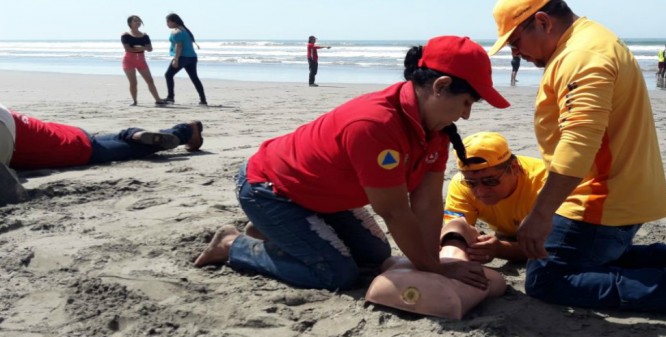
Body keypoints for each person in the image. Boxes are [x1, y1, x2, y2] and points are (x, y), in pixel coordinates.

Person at [489, 0, 666, 334]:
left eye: (515, 41)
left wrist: (540, 215)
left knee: (548, 279)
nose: (516, 51)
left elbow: (578, 144)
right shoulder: (592, 40)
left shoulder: (581, 56)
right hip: (621, 189)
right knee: (595, 261)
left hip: (599, 197)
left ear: (542, 21)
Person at [194, 36, 510, 292]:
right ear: (440, 86)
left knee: (375, 256)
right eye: (467, 102)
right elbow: (395, 211)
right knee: (336, 275)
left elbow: (426, 203)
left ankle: (274, 230)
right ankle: (232, 244)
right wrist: (435, 267)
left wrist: (431, 261)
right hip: (271, 188)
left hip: (325, 196)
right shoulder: (375, 125)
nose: (466, 114)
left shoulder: (437, 129)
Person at [366, 217, 507, 320]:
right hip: (445, 299)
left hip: (384, 289)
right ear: (472, 243)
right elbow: (498, 285)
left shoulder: (406, 261)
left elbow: (387, 264)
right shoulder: (476, 271)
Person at [1, 104, 203, 170]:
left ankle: (184, 131)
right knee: (106, 140)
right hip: (45, 130)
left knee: (126, 149)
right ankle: (133, 133)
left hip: (69, 148)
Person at [444, 132, 546, 263]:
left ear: (514, 167)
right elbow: (454, 231)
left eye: (490, 181)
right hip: (507, 235)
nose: (480, 192)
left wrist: (501, 249)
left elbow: (555, 246)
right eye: (471, 183)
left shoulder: (546, 183)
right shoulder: (460, 184)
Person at [121, 15, 167, 107]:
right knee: (133, 82)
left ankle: (157, 100)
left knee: (150, 80)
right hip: (129, 60)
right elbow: (128, 49)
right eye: (135, 21)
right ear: (130, 23)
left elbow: (150, 49)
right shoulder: (125, 35)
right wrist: (142, 47)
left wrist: (139, 47)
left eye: (139, 21)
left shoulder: (145, 36)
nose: (138, 22)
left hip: (141, 60)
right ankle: (134, 101)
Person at [164, 13, 207, 105]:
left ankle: (170, 97)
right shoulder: (185, 30)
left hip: (183, 57)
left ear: (173, 21)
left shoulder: (177, 32)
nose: (167, 24)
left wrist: (176, 59)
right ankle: (203, 100)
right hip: (192, 58)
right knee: (194, 78)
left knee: (168, 75)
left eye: (168, 21)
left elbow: (179, 46)